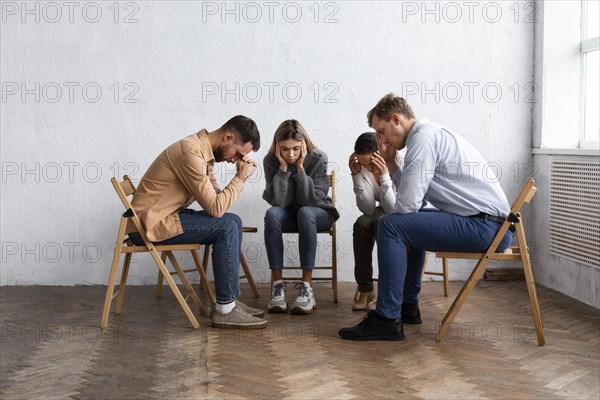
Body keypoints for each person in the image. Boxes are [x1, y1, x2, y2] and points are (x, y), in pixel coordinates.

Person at [339, 94, 513, 341]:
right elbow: (416, 203)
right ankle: (408, 307)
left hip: (486, 228)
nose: (381, 139)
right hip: (488, 224)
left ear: (396, 119)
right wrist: (390, 164)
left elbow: (406, 206)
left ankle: (387, 318)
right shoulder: (427, 135)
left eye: (382, 130)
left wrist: (393, 184)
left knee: (390, 226)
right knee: (407, 222)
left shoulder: (423, 139)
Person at [126, 115, 267, 330]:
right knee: (227, 226)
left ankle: (228, 302)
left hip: (167, 217)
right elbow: (216, 208)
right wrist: (240, 178)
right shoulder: (190, 154)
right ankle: (225, 309)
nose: (236, 160)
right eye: (238, 153)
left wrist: (237, 179)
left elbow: (218, 201)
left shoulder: (204, 154)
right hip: (148, 225)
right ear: (228, 137)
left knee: (233, 221)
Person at [263, 119, 340, 314]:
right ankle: (277, 287)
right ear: (277, 146)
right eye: (285, 149)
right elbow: (279, 202)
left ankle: (306, 287)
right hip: (289, 213)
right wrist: (282, 169)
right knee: (272, 214)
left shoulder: (318, 158)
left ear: (304, 144)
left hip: (318, 212)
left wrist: (300, 168)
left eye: (296, 149)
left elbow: (310, 200)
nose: (290, 154)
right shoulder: (271, 160)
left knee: (305, 212)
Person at [349, 132, 399, 311]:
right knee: (361, 224)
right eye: (363, 164)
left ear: (380, 155)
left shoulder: (396, 163)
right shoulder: (362, 168)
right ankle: (365, 289)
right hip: (383, 210)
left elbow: (391, 208)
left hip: (402, 210)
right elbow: (368, 209)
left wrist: (385, 176)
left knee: (381, 222)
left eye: (371, 163)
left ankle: (385, 291)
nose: (368, 168)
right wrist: (356, 177)